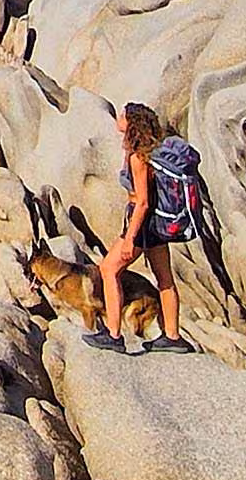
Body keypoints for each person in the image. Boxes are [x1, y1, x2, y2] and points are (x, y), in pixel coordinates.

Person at [82, 103, 195, 354]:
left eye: (123, 116)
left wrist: (130, 238)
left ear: (132, 123)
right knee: (164, 278)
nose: (118, 119)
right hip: (155, 223)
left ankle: (113, 334)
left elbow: (142, 201)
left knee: (108, 270)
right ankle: (172, 336)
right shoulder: (148, 151)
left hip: (142, 223)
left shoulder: (138, 157)